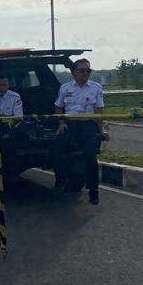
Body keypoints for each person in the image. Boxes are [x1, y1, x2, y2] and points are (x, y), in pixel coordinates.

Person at [53, 58, 106, 204]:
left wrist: (100, 131)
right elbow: (58, 107)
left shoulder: (96, 88)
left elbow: (99, 111)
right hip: (70, 124)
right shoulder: (65, 88)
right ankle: (61, 181)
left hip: (88, 124)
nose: (86, 73)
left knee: (90, 153)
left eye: (88, 71)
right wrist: (61, 122)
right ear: (74, 73)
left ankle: (93, 190)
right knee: (58, 148)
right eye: (82, 70)